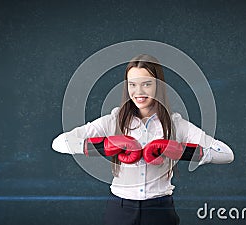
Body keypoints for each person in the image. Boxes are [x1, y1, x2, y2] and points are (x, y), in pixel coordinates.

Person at [51, 54, 234, 225]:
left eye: (146, 84)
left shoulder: (175, 124)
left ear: (158, 85)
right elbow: (58, 143)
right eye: (132, 84)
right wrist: (102, 146)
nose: (138, 91)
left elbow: (226, 154)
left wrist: (182, 151)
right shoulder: (113, 120)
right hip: (120, 210)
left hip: (160, 210)